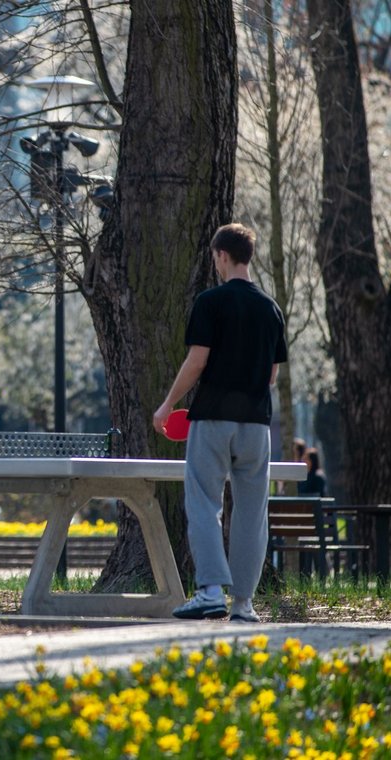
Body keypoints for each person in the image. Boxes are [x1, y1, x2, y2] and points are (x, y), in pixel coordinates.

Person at [153, 223, 288, 623]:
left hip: (213, 418)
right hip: (256, 424)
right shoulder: (271, 309)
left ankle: (210, 591)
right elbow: (272, 376)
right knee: (251, 513)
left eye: (215, 257)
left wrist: (167, 405)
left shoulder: (210, 302)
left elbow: (197, 361)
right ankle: (244, 604)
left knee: (203, 503)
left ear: (222, 255)